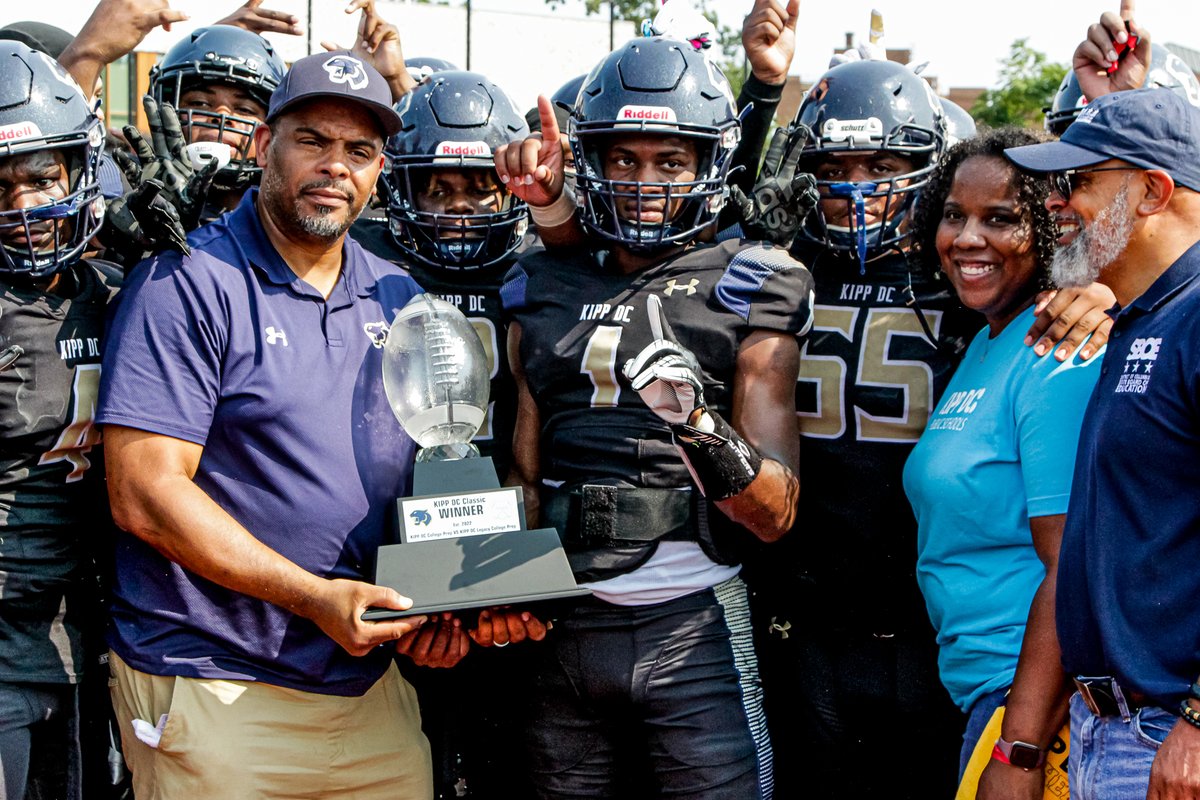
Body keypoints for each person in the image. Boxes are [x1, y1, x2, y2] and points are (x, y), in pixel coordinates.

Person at [740, 56, 1118, 798]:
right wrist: (759, 90)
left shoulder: (1042, 322)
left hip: (978, 663)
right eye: (836, 165)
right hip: (839, 620)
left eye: (881, 164)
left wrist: (1097, 286)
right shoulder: (796, 264)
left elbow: (1129, 240)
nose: (856, 186)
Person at [95, 51, 461, 799]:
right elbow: (144, 493)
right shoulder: (187, 281)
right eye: (312, 141)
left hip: (363, 684)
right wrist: (313, 597)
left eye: (358, 150)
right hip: (213, 677)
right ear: (264, 146)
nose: (335, 166)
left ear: (380, 169)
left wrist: (450, 604)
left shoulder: (399, 294)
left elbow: (436, 473)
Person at [498, 35, 812, 799]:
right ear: (591, 162)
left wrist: (699, 425)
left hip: (693, 625)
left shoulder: (753, 279)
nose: (644, 184)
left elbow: (776, 513)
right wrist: (497, 591)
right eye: (623, 160)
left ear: (708, 165)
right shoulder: (542, 280)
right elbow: (525, 477)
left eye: (670, 162)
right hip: (562, 626)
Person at [1005, 87, 1200, 800]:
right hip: (1106, 733)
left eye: (1081, 180)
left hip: (1168, 739)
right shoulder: (1145, 318)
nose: (1057, 202)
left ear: (1152, 191)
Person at [352, 69, 537, 799]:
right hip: (391, 578)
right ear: (405, 191)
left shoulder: (548, 273)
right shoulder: (363, 277)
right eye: (438, 189)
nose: (459, 208)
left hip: (510, 573)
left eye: (479, 189)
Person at [904, 127, 1102, 796]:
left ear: (1049, 230)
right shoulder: (991, 340)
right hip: (983, 693)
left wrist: (1017, 749)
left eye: (1000, 219)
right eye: (954, 214)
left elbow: (1071, 566)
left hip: (1033, 711)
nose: (966, 237)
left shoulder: (1056, 347)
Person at [0, 40, 117, 800]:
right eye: (0, 186)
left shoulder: (117, 286)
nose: (24, 207)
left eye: (44, 178)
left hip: (93, 632)